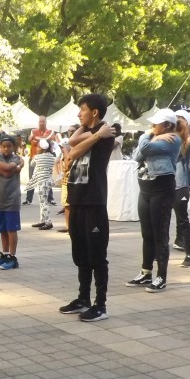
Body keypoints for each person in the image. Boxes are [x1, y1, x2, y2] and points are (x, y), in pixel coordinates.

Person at [58, 94, 116, 321]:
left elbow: (72, 152)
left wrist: (98, 134)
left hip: (94, 201)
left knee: (97, 256)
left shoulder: (108, 132)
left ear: (94, 112)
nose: (78, 113)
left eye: (82, 109)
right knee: (80, 253)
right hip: (77, 200)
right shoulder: (91, 131)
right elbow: (72, 144)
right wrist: (89, 131)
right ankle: (83, 298)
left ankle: (100, 305)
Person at [127, 108, 181, 293]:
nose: (152, 126)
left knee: (160, 234)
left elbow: (144, 149)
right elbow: (137, 156)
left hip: (162, 190)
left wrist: (148, 135)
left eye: (156, 124)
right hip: (145, 190)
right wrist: (153, 136)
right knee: (147, 233)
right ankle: (146, 271)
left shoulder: (174, 139)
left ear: (167, 125)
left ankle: (161, 276)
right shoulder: (155, 137)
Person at [0, 137, 24, 270]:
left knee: (11, 229)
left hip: (11, 200)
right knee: (2, 229)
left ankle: (13, 257)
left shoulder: (16, 158)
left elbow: (8, 171)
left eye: (9, 146)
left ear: (14, 147)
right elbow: (6, 170)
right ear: (0, 147)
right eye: (4, 146)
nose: (6, 148)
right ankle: (5, 254)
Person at [172, 111, 190, 267]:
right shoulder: (169, 138)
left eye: (182, 121)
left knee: (183, 219)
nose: (178, 123)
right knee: (162, 219)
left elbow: (181, 157)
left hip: (181, 183)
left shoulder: (189, 140)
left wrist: (186, 142)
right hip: (167, 183)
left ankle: (189, 254)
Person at [25, 116, 58, 205]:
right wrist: (34, 138)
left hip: (44, 158)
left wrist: (37, 139)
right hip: (34, 157)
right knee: (31, 178)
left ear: (46, 122)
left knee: (47, 177)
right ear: (38, 122)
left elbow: (50, 141)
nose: (41, 123)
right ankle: (28, 199)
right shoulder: (33, 131)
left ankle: (50, 199)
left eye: (43, 121)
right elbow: (29, 140)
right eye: (40, 121)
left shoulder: (50, 132)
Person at [28, 139, 58, 230]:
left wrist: (34, 157)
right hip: (48, 180)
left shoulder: (37, 157)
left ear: (42, 148)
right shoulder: (52, 157)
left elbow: (32, 164)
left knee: (43, 202)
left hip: (41, 181)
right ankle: (42, 220)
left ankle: (48, 222)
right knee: (43, 201)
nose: (37, 148)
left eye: (38, 146)